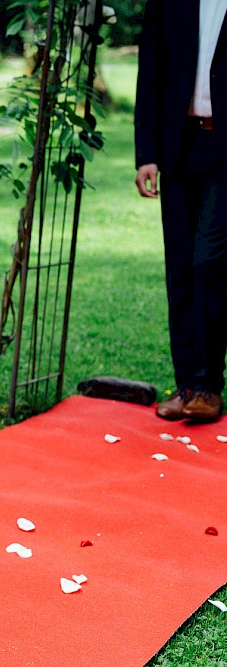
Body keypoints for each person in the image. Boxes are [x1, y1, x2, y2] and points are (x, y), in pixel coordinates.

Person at [134, 0, 227, 423]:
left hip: (224, 151)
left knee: (208, 262)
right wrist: (146, 154)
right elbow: (150, 73)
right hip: (178, 148)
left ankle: (208, 386)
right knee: (181, 270)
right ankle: (187, 383)